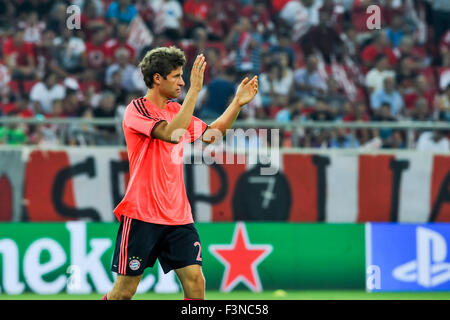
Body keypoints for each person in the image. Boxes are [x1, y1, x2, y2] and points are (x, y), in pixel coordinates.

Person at [103, 46, 258, 300]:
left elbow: (212, 134)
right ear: (157, 78)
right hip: (142, 215)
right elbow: (171, 134)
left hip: (178, 216)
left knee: (196, 283)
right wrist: (195, 91)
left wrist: (237, 104)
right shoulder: (137, 109)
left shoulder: (177, 111)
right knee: (124, 293)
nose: (183, 82)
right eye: (176, 76)